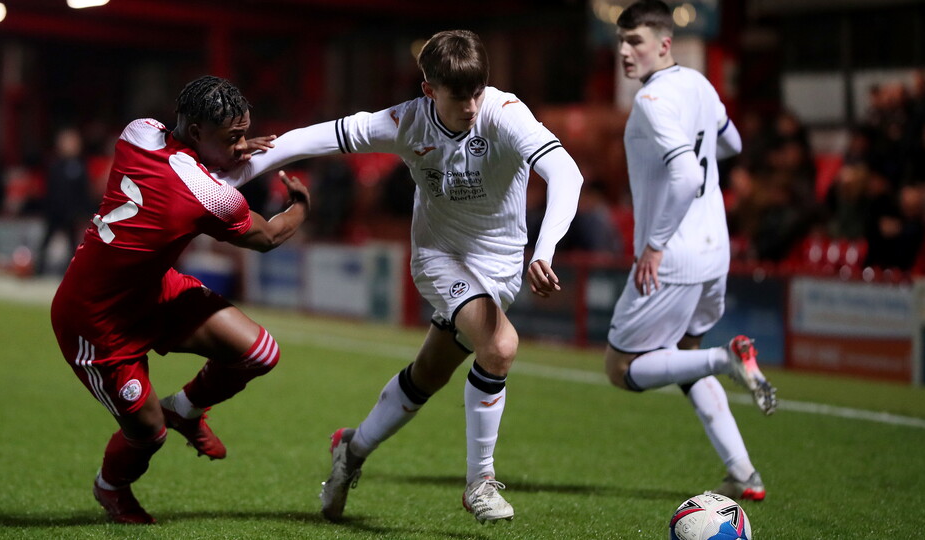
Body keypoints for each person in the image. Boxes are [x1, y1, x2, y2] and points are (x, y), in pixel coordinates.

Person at [218, 29, 584, 523]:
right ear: (429, 89)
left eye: (478, 92)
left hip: (500, 268)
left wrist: (546, 248)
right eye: (460, 97)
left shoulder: (504, 113)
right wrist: (218, 182)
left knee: (428, 375)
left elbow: (567, 174)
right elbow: (311, 139)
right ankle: (480, 482)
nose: (473, 107)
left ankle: (351, 448)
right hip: (440, 257)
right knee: (498, 347)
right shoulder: (405, 122)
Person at [50, 75, 309, 524]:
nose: (242, 144)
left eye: (244, 134)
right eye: (233, 137)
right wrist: (302, 204)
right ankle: (111, 488)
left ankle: (185, 410)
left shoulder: (139, 131)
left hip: (152, 289)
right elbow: (267, 236)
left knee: (259, 352)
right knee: (148, 435)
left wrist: (229, 150)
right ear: (195, 133)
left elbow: (184, 162)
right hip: (96, 320)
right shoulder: (208, 195)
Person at [603, 0, 776, 502]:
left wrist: (653, 246)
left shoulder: (652, 102)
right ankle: (744, 473)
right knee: (686, 359)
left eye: (635, 41)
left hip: (672, 258)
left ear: (664, 44)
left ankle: (729, 358)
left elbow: (687, 174)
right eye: (620, 41)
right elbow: (733, 143)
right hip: (714, 251)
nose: (624, 51)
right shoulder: (700, 84)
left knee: (621, 369)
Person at [36, 127, 94, 275]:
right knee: (46, 241)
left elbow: (84, 192)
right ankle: (38, 269)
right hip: (55, 212)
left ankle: (72, 273)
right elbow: (49, 191)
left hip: (71, 214)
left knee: (72, 245)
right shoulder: (54, 166)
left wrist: (83, 212)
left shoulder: (80, 167)